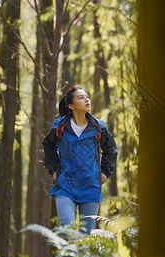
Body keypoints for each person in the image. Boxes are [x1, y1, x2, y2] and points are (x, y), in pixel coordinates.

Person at [42, 84, 117, 234]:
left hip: (90, 187)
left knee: (85, 235)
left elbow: (111, 150)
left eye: (87, 97)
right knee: (67, 230)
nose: (86, 100)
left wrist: (105, 173)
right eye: (81, 98)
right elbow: (48, 146)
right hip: (65, 186)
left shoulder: (98, 126)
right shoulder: (60, 126)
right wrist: (54, 171)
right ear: (71, 105)